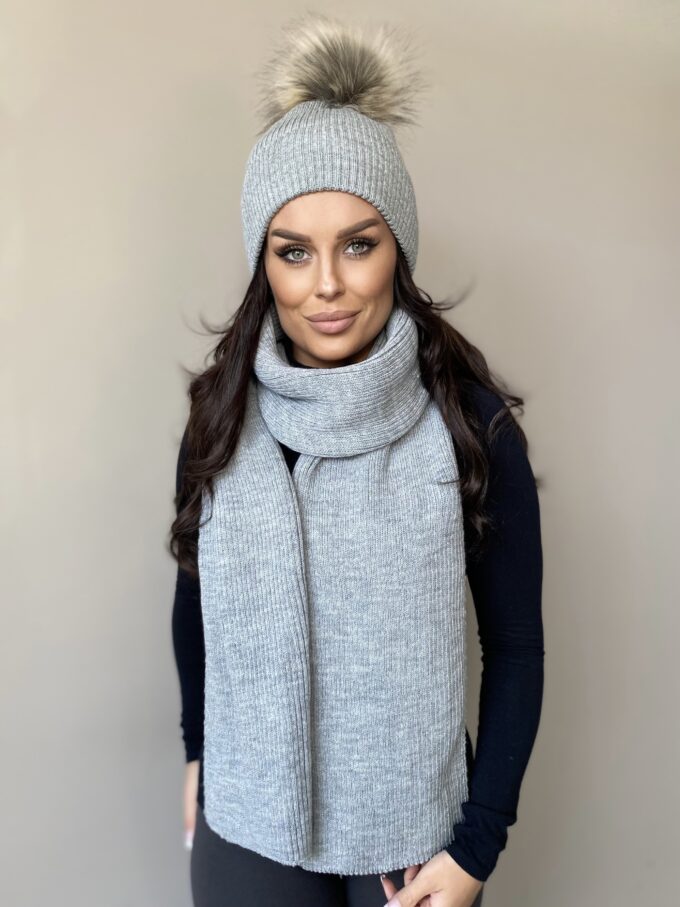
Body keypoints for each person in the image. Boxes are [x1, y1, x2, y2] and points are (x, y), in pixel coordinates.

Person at [169, 13, 544, 907]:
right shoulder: (221, 416)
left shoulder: (471, 425)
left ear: (397, 249)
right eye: (294, 251)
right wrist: (198, 751)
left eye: (359, 244)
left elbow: (515, 647)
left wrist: (477, 846)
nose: (327, 284)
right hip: (248, 820)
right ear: (264, 262)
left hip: (412, 837)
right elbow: (194, 600)